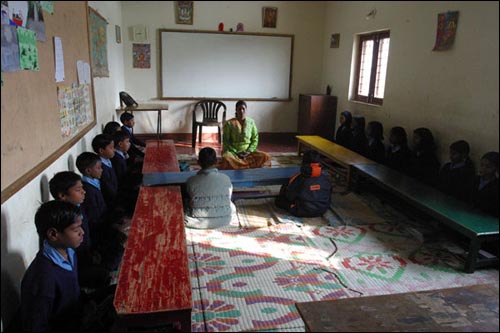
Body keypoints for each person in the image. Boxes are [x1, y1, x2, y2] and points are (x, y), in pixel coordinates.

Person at [20, 201, 116, 332]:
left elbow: (73, 294)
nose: (82, 232)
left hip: (77, 311)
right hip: (68, 326)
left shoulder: (68, 252)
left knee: (119, 291)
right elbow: (36, 326)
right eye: (76, 230)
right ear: (53, 234)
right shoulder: (42, 278)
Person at [49, 171, 110, 289]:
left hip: (87, 252)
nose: (84, 191)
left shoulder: (78, 207)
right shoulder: (59, 220)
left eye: (82, 188)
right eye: (78, 190)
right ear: (62, 196)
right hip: (80, 266)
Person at [76, 152, 125, 271]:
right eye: (98, 168)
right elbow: (95, 221)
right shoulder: (88, 192)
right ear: (88, 171)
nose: (101, 170)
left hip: (103, 223)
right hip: (98, 232)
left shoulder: (94, 183)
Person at [184, 147, 236, 229]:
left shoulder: (192, 181)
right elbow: (228, 197)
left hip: (196, 221)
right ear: (216, 161)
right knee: (231, 206)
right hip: (225, 219)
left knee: (184, 204)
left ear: (198, 162)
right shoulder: (226, 178)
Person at [275, 150, 332, 217]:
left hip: (302, 210)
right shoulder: (325, 178)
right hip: (321, 210)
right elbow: (329, 194)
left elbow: (290, 196)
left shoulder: (298, 178)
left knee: (279, 200)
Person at [220, 100, 271, 169]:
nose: (241, 111)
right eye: (239, 109)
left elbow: (255, 138)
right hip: (233, 152)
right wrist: (236, 152)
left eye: (243, 109)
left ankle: (239, 165)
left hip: (248, 152)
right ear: (236, 110)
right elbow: (226, 141)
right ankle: (247, 165)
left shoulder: (251, 122)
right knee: (226, 158)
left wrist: (249, 151)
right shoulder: (229, 123)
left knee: (265, 156)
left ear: (246, 110)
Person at [92, 134, 118, 209]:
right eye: (111, 148)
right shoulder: (101, 168)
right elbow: (108, 190)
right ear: (101, 150)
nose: (114, 149)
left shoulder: (108, 160)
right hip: (111, 203)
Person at [471, 152, 499, 217]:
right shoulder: (475, 180)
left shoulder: (496, 186)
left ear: (496, 169)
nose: (483, 169)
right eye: (481, 165)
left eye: (488, 167)